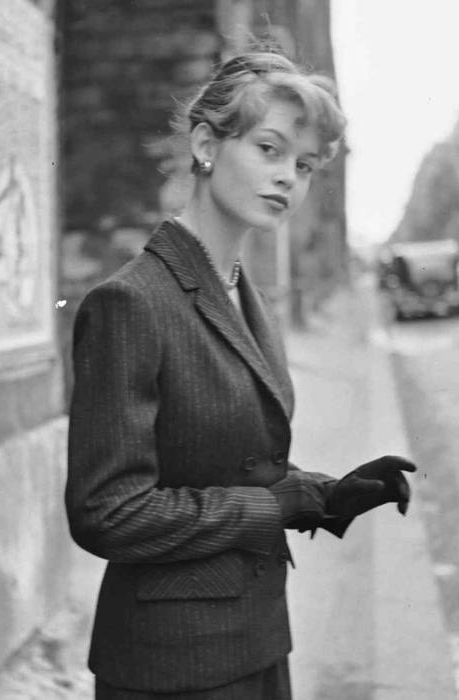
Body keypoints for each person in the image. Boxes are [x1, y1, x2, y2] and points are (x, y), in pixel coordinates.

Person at [65, 50, 416, 700]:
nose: (287, 177)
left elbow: (231, 461)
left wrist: (324, 496)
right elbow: (105, 512)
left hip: (258, 641)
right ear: (206, 145)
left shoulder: (243, 296)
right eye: (269, 149)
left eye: (304, 165)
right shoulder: (131, 303)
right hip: (172, 667)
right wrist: (273, 506)